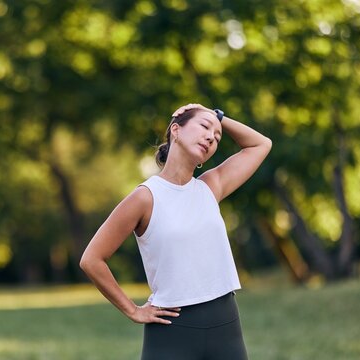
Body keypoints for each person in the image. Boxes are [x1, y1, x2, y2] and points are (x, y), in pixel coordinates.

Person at [80, 103, 272, 359]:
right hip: (172, 331)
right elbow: (92, 259)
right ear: (176, 130)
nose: (210, 137)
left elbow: (261, 145)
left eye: (216, 137)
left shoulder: (210, 187)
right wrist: (132, 310)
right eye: (204, 127)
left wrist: (216, 116)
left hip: (225, 325)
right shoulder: (145, 197)